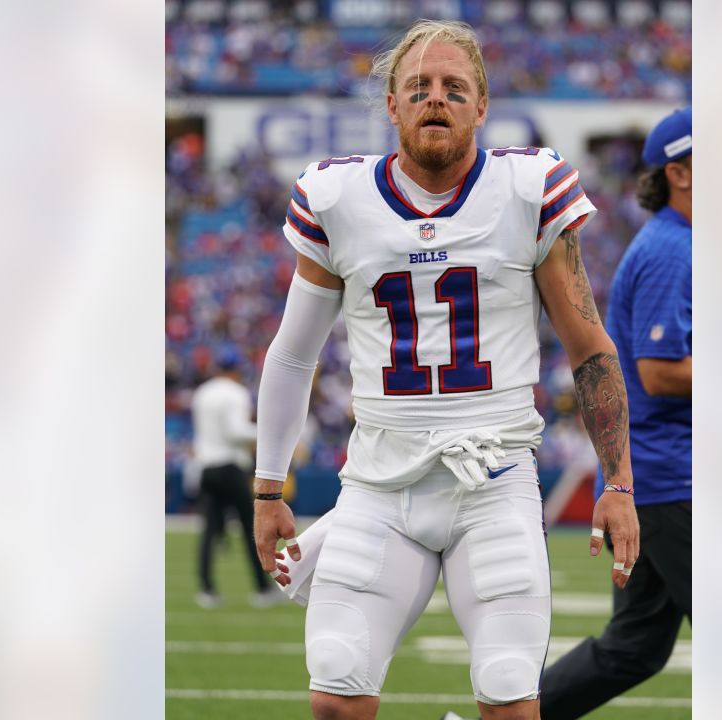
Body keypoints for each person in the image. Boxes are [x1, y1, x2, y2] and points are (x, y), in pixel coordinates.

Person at [250, 20, 640, 720]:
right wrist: (267, 487)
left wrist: (618, 480)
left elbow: (590, 347)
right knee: (335, 693)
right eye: (419, 87)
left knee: (509, 696)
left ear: (482, 107)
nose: (437, 99)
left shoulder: (529, 188)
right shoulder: (338, 200)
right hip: (378, 481)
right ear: (393, 106)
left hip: (492, 479)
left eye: (455, 88)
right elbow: (293, 352)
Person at [537, 107, 693, 719]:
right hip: (668, 478)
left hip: (662, 477)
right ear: (680, 173)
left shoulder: (679, 244)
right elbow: (658, 371)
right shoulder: (672, 251)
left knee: (633, 648)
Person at [189, 347, 279, 608]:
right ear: (236, 369)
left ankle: (206, 589)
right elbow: (235, 431)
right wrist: (267, 433)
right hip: (230, 466)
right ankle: (262, 589)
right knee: (251, 527)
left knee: (209, 530)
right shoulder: (236, 393)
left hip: (207, 465)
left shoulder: (202, 392)